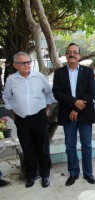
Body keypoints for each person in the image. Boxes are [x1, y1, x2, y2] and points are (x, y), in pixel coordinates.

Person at [3, 52, 52, 188]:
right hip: (22, 119)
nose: (26, 65)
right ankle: (31, 175)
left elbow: (49, 92)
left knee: (42, 147)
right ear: (15, 65)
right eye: (23, 63)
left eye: (28, 62)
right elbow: (6, 97)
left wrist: (47, 108)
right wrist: (12, 110)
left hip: (39, 116)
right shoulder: (11, 80)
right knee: (27, 148)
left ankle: (45, 174)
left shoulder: (38, 76)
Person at [52, 43, 95, 186]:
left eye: (75, 52)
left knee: (87, 145)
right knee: (70, 145)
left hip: (84, 113)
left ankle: (88, 173)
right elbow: (57, 92)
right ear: (66, 55)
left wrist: (77, 109)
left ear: (79, 55)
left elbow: (91, 92)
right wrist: (73, 103)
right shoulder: (59, 72)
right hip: (67, 114)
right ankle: (73, 173)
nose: (72, 54)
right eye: (69, 52)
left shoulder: (88, 72)